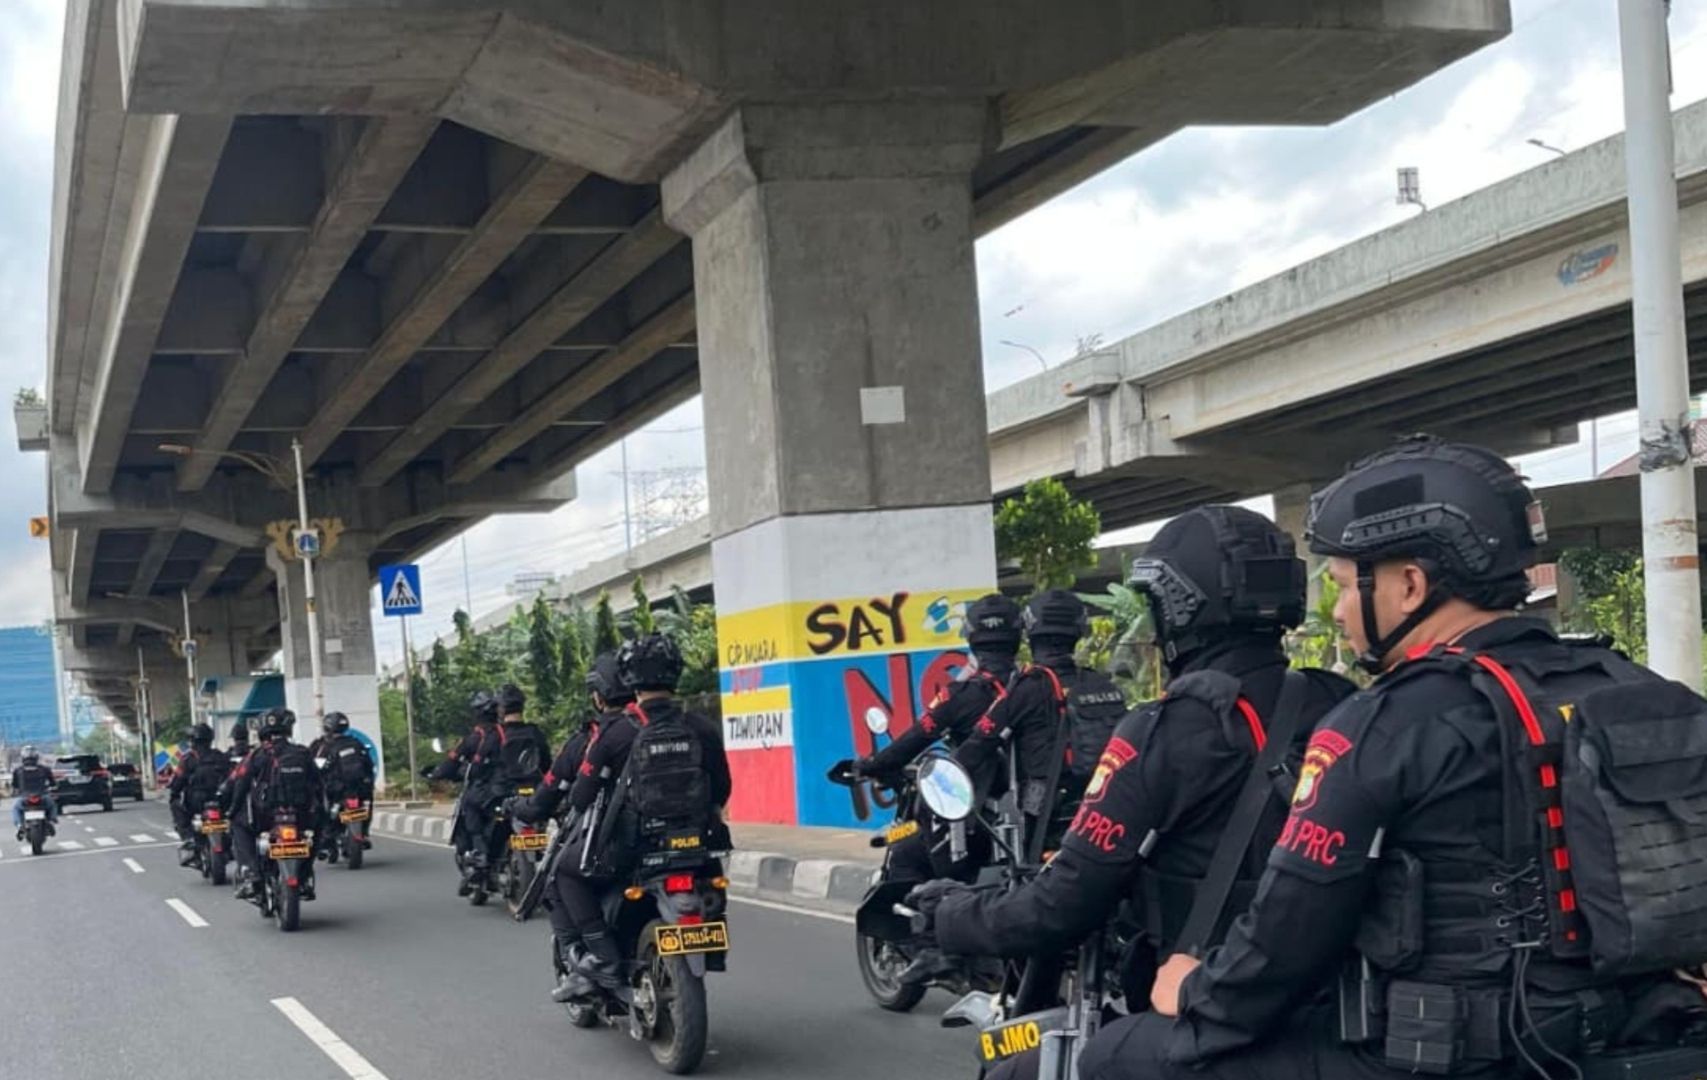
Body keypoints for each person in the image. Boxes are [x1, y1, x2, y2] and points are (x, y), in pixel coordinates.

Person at [1083, 435, 1707, 1080]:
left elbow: (1287, 935)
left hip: (1455, 1058)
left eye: (1345, 587)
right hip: (1638, 1035)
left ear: (1409, 585)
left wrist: (1195, 990)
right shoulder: (1633, 686)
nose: (1340, 612)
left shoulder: (1385, 721)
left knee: (1115, 1054)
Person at [907, 507, 1355, 1080]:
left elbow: (1063, 904)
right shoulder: (1345, 704)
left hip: (1205, 1012)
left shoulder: (1164, 730)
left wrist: (951, 915)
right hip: (1332, 1015)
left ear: (1179, 608)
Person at [548, 634, 732, 1002]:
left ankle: (603, 958)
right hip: (698, 845)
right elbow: (722, 787)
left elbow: (581, 796)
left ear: (628, 679)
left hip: (632, 848)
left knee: (563, 873)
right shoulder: (701, 727)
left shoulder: (615, 733)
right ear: (676, 673)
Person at [855, 593, 1022, 884]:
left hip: (979, 822)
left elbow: (914, 739)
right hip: (1039, 818)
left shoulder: (961, 696)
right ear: (1018, 636)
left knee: (906, 854)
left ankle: (926, 912)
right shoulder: (1039, 688)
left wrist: (870, 765)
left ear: (972, 637)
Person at [509, 653, 631, 827]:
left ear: (598, 698)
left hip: (612, 835)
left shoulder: (591, 740)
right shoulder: (657, 726)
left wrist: (519, 807)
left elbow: (553, 798)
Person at [224, 707, 325, 902]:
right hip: (300, 816)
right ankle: (304, 876)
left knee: (238, 825)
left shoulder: (256, 755)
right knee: (317, 833)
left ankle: (252, 874)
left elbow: (241, 782)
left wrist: (232, 810)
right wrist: (320, 811)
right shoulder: (302, 753)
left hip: (266, 816)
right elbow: (318, 784)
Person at [428, 690, 503, 893]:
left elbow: (452, 762)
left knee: (470, 811)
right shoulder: (508, 733)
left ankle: (480, 857)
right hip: (511, 792)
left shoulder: (475, 738)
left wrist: (437, 774)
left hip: (485, 791)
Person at [309, 711, 374, 862]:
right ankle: (364, 833)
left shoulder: (322, 746)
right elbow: (369, 766)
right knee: (368, 802)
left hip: (335, 789)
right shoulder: (356, 743)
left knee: (320, 808)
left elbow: (313, 768)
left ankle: (325, 839)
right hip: (358, 789)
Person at [168, 723, 231, 864]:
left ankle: (188, 837)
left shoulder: (187, 759)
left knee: (174, 802)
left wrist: (174, 791)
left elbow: (177, 781)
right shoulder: (220, 756)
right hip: (221, 802)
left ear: (192, 741)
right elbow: (232, 778)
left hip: (196, 803)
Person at [10, 746, 57, 837]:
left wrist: (17, 791)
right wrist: (52, 787)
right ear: (36, 757)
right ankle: (51, 821)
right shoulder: (44, 769)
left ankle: (19, 825)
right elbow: (52, 783)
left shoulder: (18, 770)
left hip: (24, 798)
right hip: (42, 796)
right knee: (52, 805)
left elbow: (15, 785)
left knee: (16, 808)